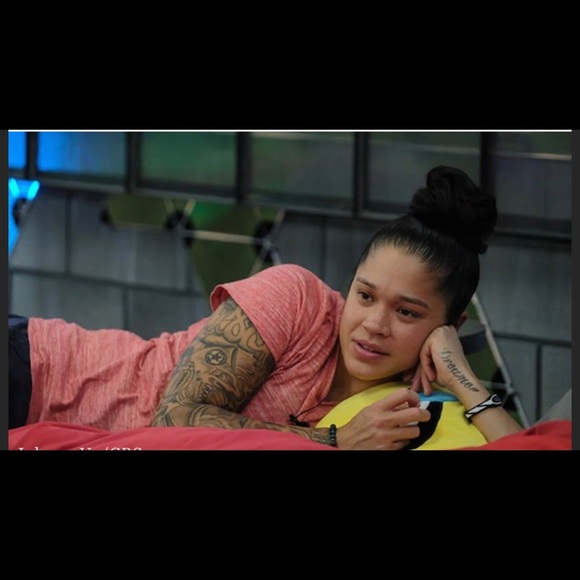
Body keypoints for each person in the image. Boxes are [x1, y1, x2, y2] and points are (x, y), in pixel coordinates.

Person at [8, 165, 525, 449]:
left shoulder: (405, 406)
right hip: (38, 373)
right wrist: (333, 440)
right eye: (365, 295)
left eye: (407, 313)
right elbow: (175, 419)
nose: (373, 324)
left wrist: (463, 377)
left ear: (450, 323)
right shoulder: (298, 298)